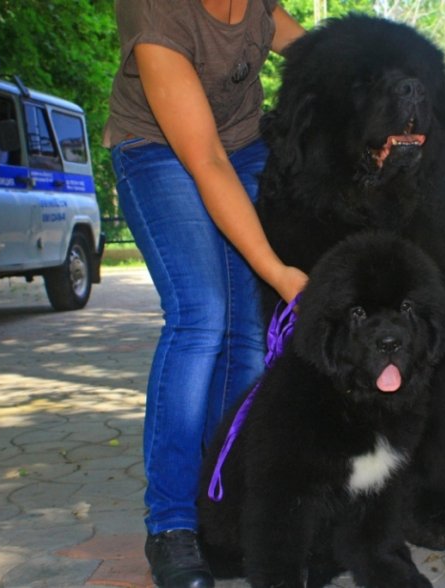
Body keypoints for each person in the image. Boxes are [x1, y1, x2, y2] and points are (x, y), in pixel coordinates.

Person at [104, 2, 306, 587]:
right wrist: (278, 272)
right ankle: (171, 524)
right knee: (201, 315)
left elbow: (316, 56)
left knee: (247, 334)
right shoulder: (156, 11)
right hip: (156, 149)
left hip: (242, 145)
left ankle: (220, 513)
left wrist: (387, 81)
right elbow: (206, 160)